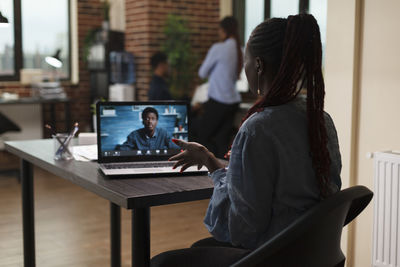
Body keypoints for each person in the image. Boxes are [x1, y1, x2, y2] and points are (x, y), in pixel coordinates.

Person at [169, 14, 342, 252]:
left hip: (271, 256)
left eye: (246, 62)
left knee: (166, 261)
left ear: (258, 65)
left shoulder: (257, 129)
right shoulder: (321, 120)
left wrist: (220, 184)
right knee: (200, 248)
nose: (243, 69)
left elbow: (241, 230)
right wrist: (209, 160)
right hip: (313, 252)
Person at [196, 16, 243, 158]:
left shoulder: (219, 48)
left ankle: (205, 171)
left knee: (201, 137)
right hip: (233, 102)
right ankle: (223, 173)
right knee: (222, 140)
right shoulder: (240, 49)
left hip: (218, 101)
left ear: (223, 31)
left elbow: (202, 72)